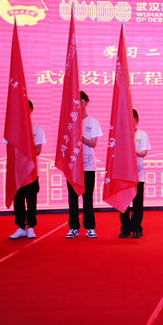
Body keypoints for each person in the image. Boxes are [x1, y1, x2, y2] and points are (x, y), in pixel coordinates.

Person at [66, 91, 103, 239]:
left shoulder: (93, 122)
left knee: (87, 197)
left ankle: (90, 227)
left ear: (87, 102)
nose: (80, 103)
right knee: (72, 197)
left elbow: (93, 143)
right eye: (77, 101)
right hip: (73, 166)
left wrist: (80, 138)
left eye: (82, 100)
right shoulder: (69, 121)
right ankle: (73, 227)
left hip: (88, 166)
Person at [9, 100, 46, 240]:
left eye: (27, 108)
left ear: (31, 110)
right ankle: (20, 228)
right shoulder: (12, 129)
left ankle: (31, 227)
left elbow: (38, 151)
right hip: (17, 171)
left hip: (31, 171)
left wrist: (23, 147)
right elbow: (9, 149)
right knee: (18, 199)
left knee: (31, 200)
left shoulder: (37, 129)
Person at [119, 109, 151, 239]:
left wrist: (132, 150)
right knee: (124, 203)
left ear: (137, 120)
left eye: (133, 119)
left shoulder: (142, 134)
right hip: (124, 175)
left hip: (138, 175)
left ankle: (137, 229)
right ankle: (125, 229)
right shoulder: (120, 135)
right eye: (129, 118)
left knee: (137, 203)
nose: (131, 121)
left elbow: (144, 153)